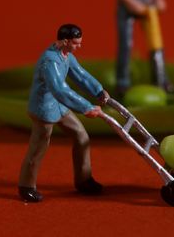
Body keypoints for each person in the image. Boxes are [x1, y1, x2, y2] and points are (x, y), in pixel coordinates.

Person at [18, 24, 110, 203]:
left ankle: (84, 180)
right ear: (65, 41)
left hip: (60, 106)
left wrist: (98, 91)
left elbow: (81, 75)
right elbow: (59, 89)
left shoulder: (67, 56)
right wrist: (86, 107)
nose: (79, 46)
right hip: (44, 109)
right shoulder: (50, 61)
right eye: (76, 43)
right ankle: (26, 186)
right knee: (38, 148)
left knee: (81, 135)